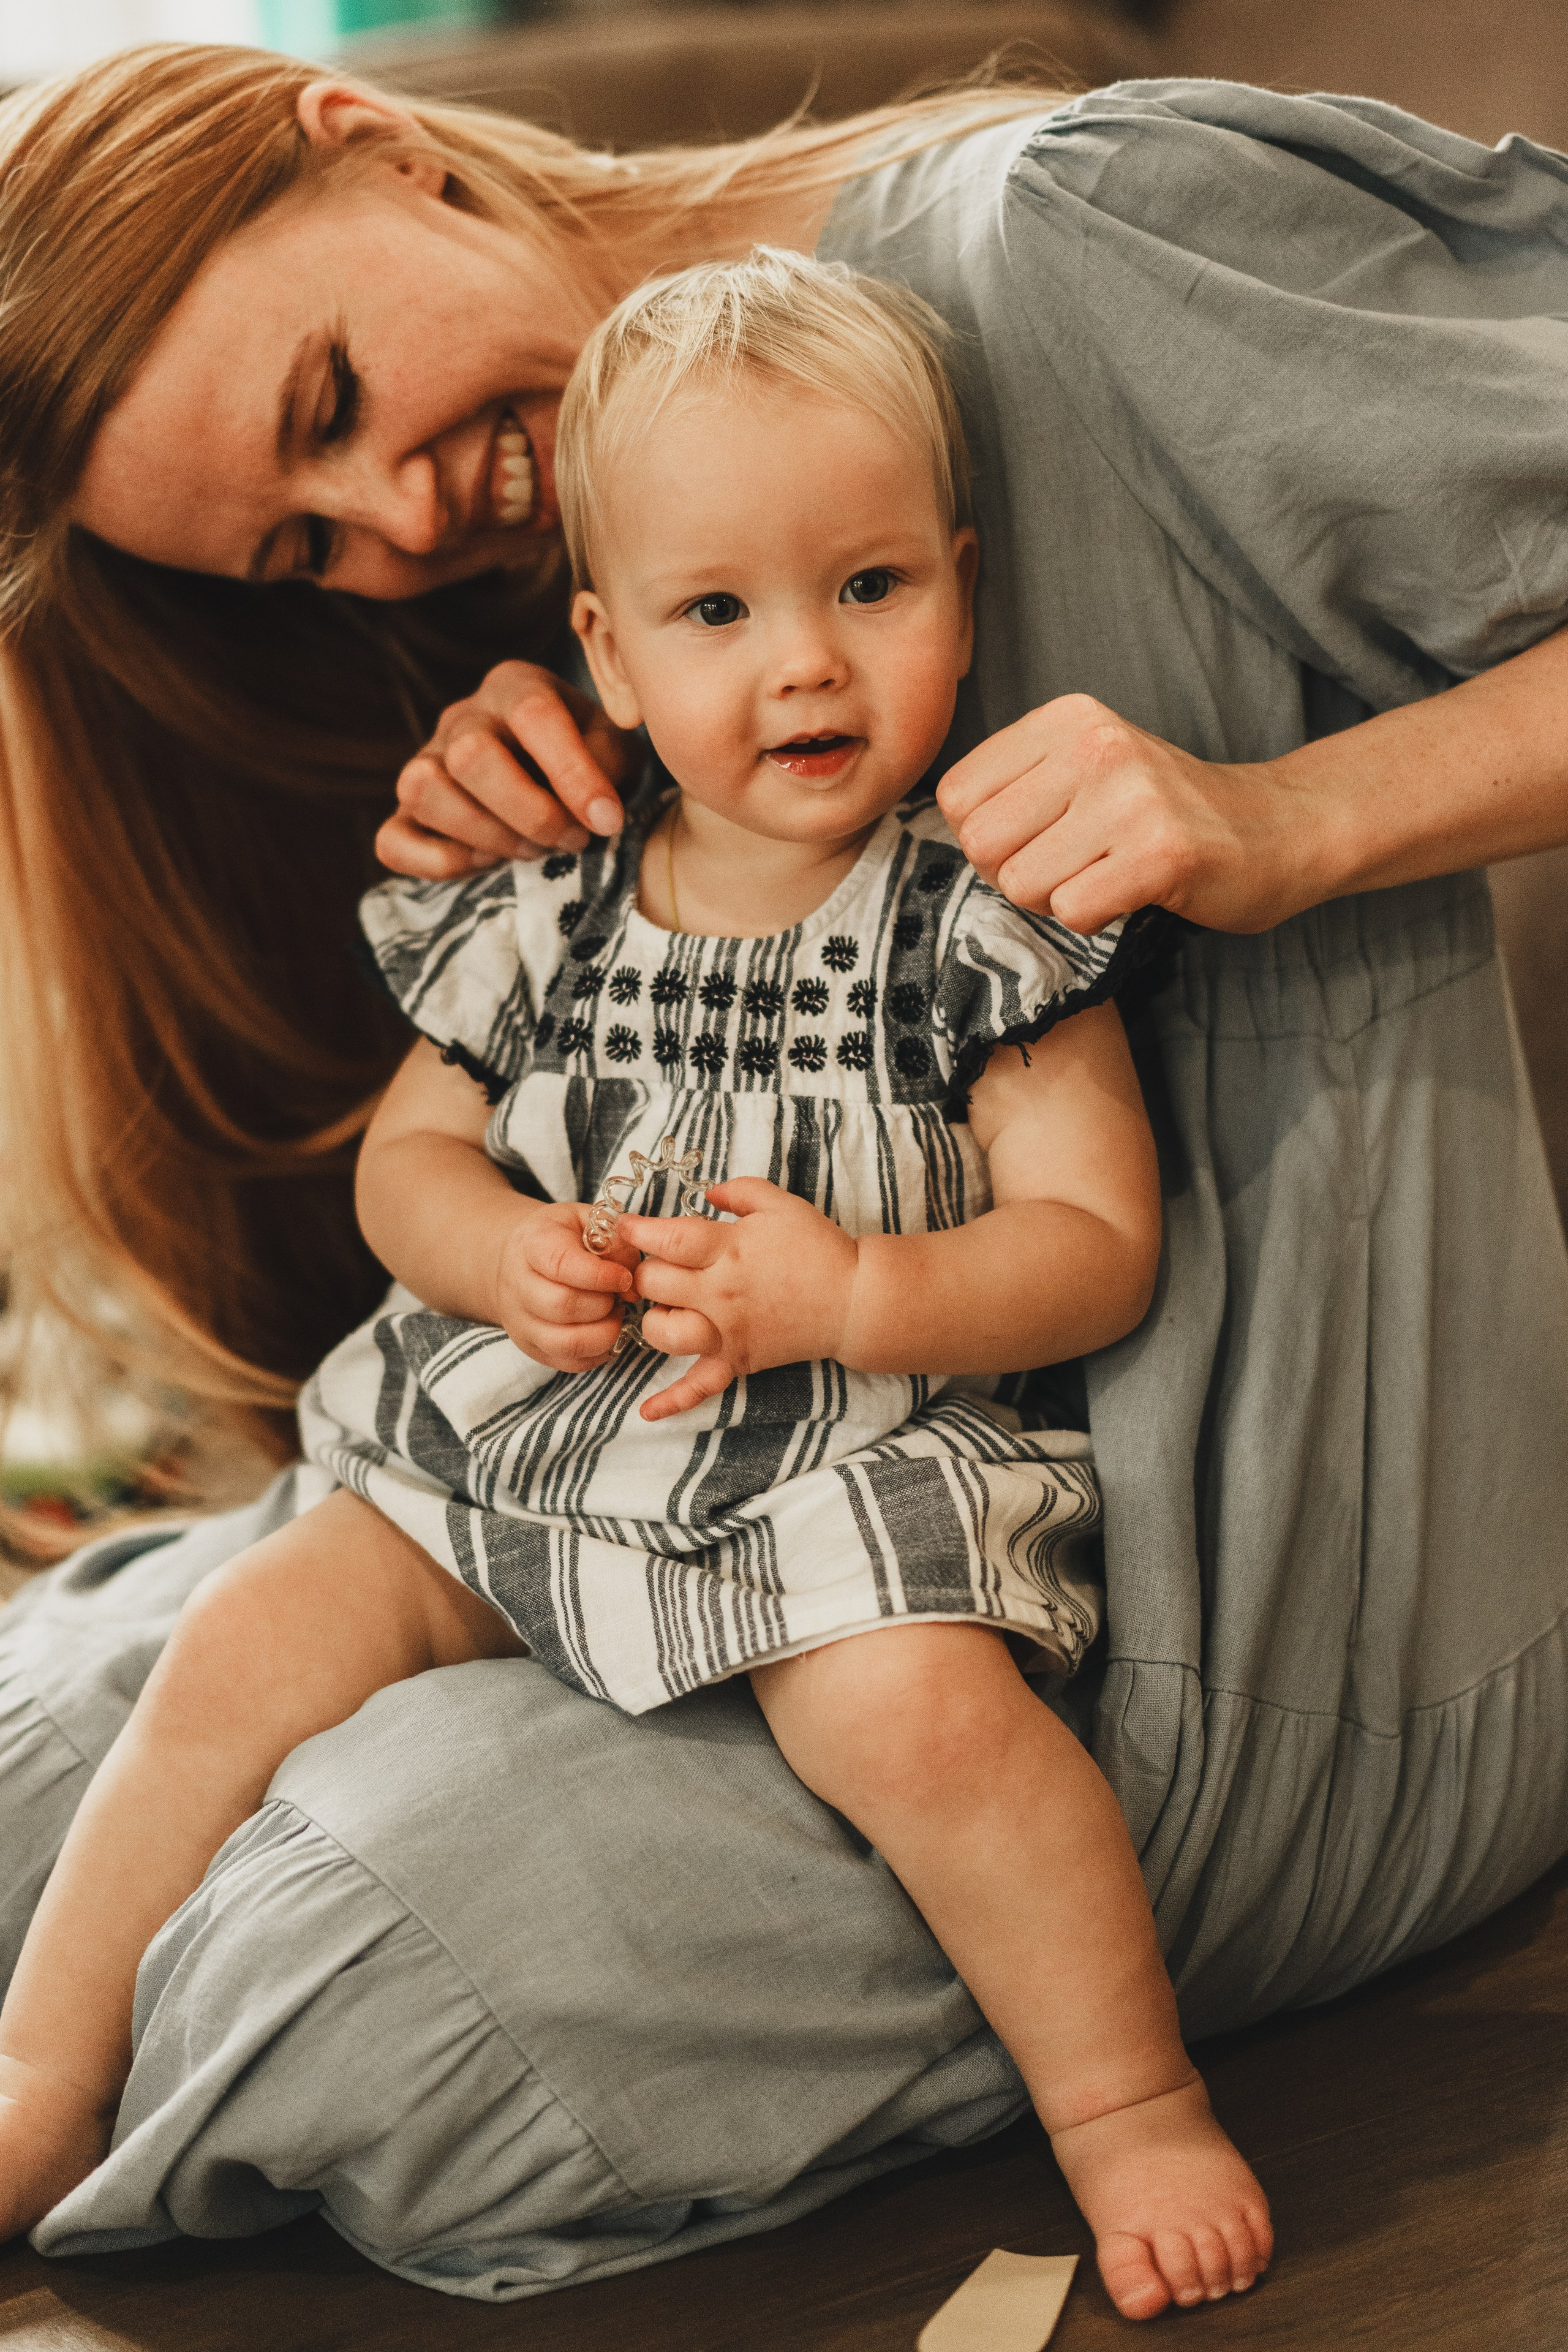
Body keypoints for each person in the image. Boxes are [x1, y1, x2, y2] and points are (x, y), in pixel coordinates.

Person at [1, 38, 1567, 2310]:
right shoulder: (576, 594)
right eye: (305, 541)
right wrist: (483, 812)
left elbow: (1078, 1235)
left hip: (1197, 1602)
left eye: (336, 397)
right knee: (46, 1749)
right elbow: (444, 1143)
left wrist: (1294, 816)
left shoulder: (1075, 247)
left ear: (375, 132)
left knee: (332, 1984)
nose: (401, 527)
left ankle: (1109, 2079)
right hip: (602, 1458)